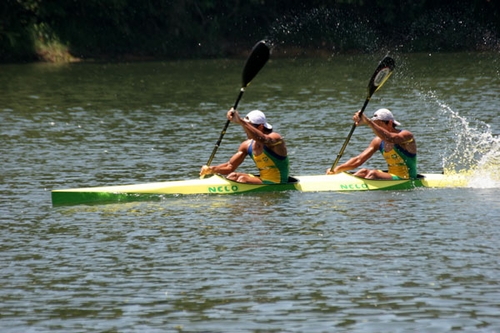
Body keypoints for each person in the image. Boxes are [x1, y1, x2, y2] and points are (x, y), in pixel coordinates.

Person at [200, 108, 289, 184]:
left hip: (278, 182)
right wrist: (212, 169)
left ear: (261, 127)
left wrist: (241, 121)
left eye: (248, 126)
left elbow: (263, 139)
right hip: (263, 179)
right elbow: (230, 166)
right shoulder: (247, 145)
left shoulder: (276, 138)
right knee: (233, 176)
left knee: (242, 180)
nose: (245, 130)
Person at [328, 108, 417, 179]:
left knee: (373, 174)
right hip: (392, 175)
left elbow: (390, 138)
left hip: (407, 178)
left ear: (390, 123)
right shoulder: (378, 141)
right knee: (363, 171)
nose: (375, 128)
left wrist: (369, 122)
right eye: (375, 125)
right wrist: (337, 169)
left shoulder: (406, 135)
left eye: (378, 125)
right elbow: (359, 160)